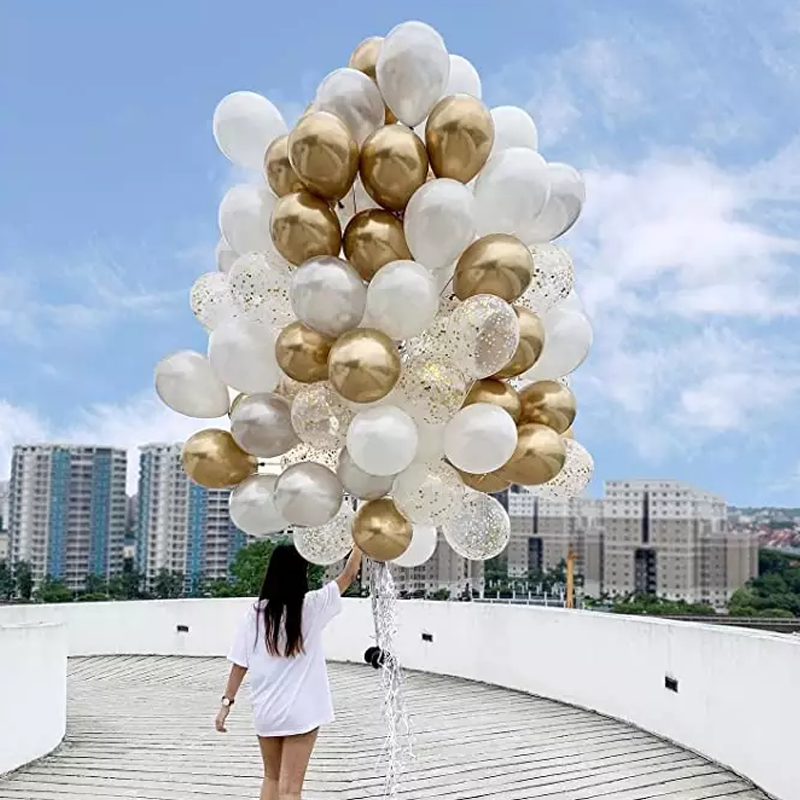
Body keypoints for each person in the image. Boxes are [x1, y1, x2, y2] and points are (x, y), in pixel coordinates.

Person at [215, 543, 363, 800]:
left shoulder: (255, 614)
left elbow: (240, 663)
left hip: (267, 711)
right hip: (302, 714)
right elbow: (348, 575)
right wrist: (360, 542)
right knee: (291, 789)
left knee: (271, 778)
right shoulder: (312, 606)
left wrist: (226, 703)